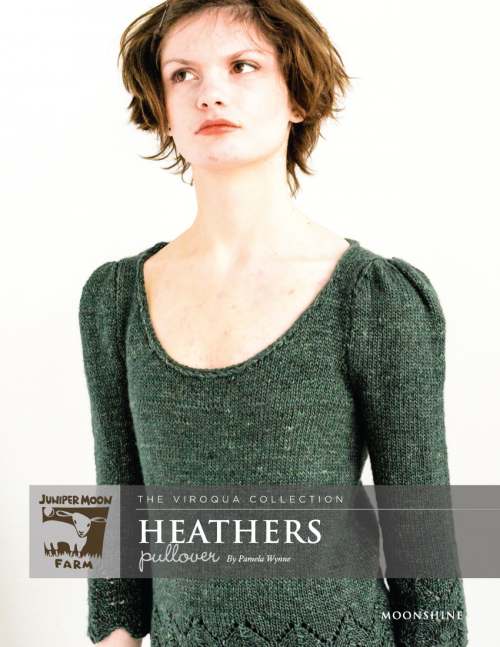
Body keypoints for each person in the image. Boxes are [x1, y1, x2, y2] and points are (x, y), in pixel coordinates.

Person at [78, 1, 468, 645]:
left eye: (243, 66)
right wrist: (114, 633)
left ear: (297, 98)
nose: (210, 93)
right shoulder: (114, 298)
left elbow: (423, 536)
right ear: (163, 109)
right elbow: (114, 498)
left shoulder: (375, 298)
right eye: (183, 74)